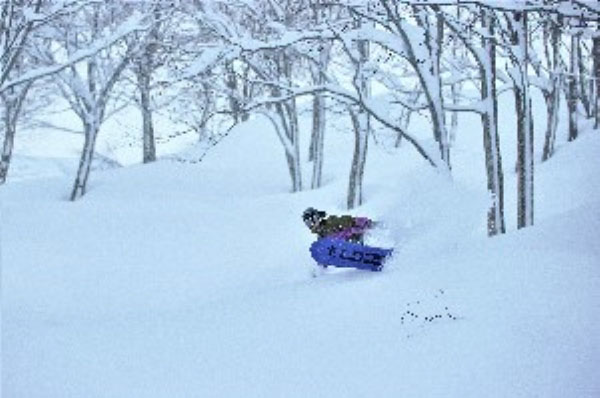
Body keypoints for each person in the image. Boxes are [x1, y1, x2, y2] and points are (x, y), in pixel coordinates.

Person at [302, 207, 373, 244]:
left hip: (356, 237)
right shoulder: (321, 237)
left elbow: (348, 220)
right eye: (308, 223)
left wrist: (366, 223)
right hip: (344, 248)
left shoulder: (331, 222)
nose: (312, 224)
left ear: (318, 218)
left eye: (313, 220)